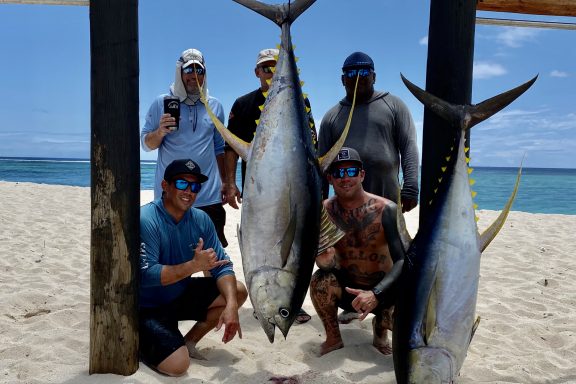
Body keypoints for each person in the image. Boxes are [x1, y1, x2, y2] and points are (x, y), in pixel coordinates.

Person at [318, 51, 419, 323]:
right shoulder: (331, 117)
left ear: (374, 75)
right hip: (344, 211)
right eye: (351, 73)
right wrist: (319, 207)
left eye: (364, 72)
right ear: (343, 79)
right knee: (351, 258)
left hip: (386, 201)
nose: (358, 77)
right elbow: (320, 166)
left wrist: (411, 186)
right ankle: (355, 303)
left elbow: (409, 147)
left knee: (395, 259)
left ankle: (381, 319)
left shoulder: (393, 106)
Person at [224, 48, 316, 324]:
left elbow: (310, 149)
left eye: (275, 68)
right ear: (256, 72)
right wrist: (229, 183)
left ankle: (289, 303)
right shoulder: (242, 104)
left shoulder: (302, 102)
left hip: (291, 196)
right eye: (265, 68)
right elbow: (230, 148)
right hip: (259, 195)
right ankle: (281, 302)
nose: (270, 73)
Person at [139, 158, 248, 376]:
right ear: (165, 186)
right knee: (178, 366)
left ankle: (188, 342)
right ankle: (143, 343)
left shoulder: (201, 219)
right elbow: (146, 276)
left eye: (195, 186)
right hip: (147, 306)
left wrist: (232, 307)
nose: (189, 191)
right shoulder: (147, 218)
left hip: (178, 296)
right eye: (181, 183)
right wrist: (193, 266)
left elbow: (223, 267)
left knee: (236, 290)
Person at [310, 147, 405, 356]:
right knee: (320, 281)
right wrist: (324, 262)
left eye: (351, 171)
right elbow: (325, 262)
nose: (345, 178)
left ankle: (380, 328)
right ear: (330, 178)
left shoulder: (385, 209)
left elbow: (401, 261)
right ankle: (333, 338)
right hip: (349, 292)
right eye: (338, 173)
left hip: (384, 292)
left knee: (409, 304)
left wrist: (376, 293)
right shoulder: (324, 211)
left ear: (362, 174)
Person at [141, 48, 230, 247]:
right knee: (175, 259)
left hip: (208, 196)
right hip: (171, 198)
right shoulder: (161, 103)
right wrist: (160, 132)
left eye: (199, 70)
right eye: (189, 69)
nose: (194, 75)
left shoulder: (215, 106)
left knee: (213, 262)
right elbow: (145, 144)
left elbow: (218, 147)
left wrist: (226, 182)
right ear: (179, 72)